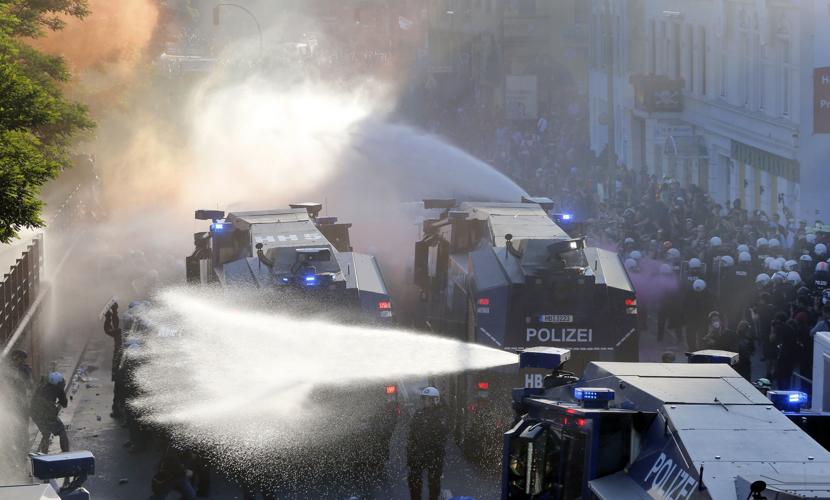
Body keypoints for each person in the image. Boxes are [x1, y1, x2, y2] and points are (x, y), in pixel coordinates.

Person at [407, 387, 449, 500]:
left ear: (435, 400)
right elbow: (412, 434)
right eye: (424, 399)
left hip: (435, 453)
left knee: (434, 481)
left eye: (429, 400)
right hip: (419, 452)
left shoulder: (441, 415)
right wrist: (411, 452)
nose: (426, 402)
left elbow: (441, 433)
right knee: (413, 479)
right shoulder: (419, 414)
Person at [30, 371, 69, 453]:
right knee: (61, 430)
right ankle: (66, 452)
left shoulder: (42, 384)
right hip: (47, 412)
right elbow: (64, 403)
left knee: (46, 433)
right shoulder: (58, 388)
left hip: (34, 412)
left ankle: (44, 455)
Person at [8, 349, 33, 456]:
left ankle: (23, 449)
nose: (15, 360)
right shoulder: (11, 369)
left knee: (22, 426)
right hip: (13, 403)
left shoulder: (24, 370)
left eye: (17, 359)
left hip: (21, 403)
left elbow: (29, 385)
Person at [103, 302, 123, 418]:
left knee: (118, 390)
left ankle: (117, 411)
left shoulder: (119, 334)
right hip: (125, 368)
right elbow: (116, 326)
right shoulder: (135, 332)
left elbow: (109, 329)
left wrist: (108, 317)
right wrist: (114, 313)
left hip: (119, 366)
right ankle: (119, 411)